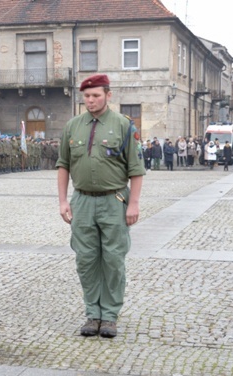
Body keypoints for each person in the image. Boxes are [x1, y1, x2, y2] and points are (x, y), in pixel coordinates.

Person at [56, 73, 145, 338]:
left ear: (108, 95)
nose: (91, 100)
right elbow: (63, 164)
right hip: (82, 201)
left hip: (114, 200)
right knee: (86, 259)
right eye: (86, 96)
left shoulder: (124, 126)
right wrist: (63, 201)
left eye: (96, 95)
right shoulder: (73, 126)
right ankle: (92, 313)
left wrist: (134, 204)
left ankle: (109, 316)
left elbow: (136, 168)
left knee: (114, 259)